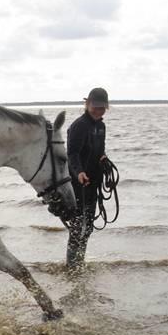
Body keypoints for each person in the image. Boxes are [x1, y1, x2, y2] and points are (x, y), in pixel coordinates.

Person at [63, 87, 110, 271]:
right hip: (78, 184)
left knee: (88, 227)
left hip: (94, 182)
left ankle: (79, 263)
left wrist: (103, 157)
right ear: (87, 104)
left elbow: (100, 149)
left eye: (101, 108)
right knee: (77, 227)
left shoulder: (101, 126)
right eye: (95, 107)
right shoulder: (79, 125)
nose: (98, 111)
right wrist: (79, 172)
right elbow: (72, 154)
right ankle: (71, 266)